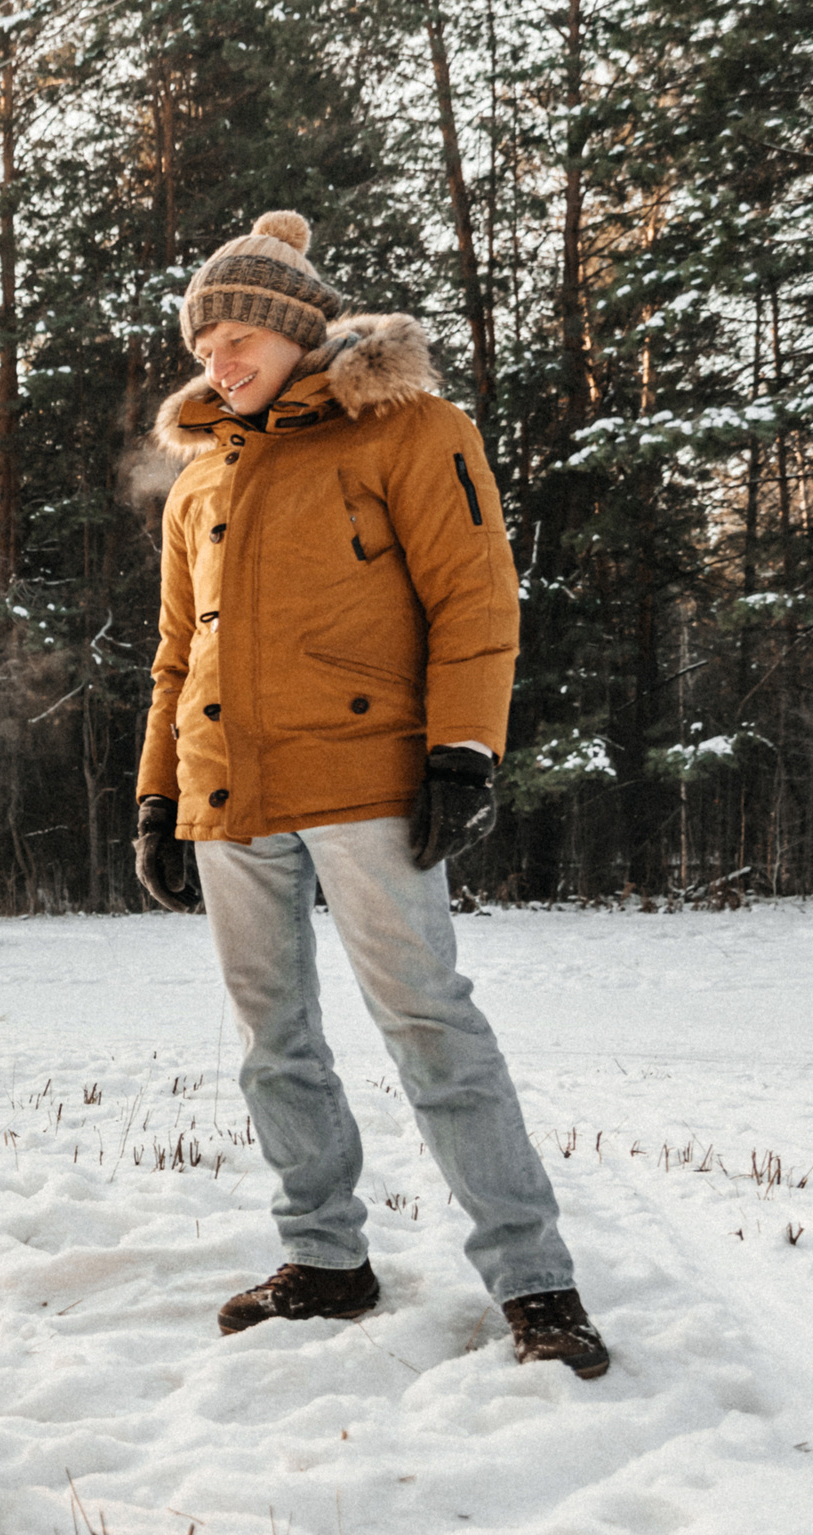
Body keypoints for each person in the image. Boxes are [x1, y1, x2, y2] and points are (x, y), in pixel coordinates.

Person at [132, 212, 609, 1378]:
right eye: (204, 347)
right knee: (272, 1045)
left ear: (297, 331)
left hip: (365, 781)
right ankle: (323, 1257)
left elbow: (473, 596)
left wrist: (462, 751)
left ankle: (535, 1280)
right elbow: (174, 656)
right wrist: (158, 798)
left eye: (239, 339)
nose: (219, 364)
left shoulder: (411, 429)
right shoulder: (200, 481)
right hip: (229, 793)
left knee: (429, 1025)